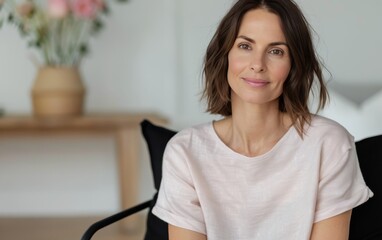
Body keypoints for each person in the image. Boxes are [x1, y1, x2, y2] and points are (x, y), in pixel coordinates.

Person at [152, 0, 373, 239]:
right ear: (225, 54)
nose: (258, 64)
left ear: (293, 65)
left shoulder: (328, 144)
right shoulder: (185, 152)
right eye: (245, 46)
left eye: (276, 51)